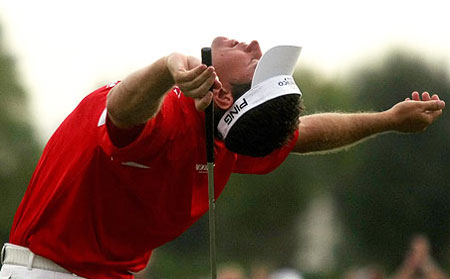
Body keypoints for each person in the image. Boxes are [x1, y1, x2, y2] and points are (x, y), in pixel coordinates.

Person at [0, 36, 445, 279]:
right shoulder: (231, 145)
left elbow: (121, 113)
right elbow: (304, 135)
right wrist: (386, 119)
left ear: (220, 92)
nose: (253, 43)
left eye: (253, 63)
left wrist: (165, 67)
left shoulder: (171, 119)